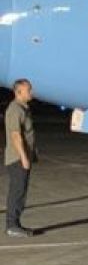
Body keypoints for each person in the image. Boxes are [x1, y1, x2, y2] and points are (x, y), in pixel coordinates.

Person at [5, 79, 37, 237]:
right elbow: (15, 136)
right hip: (17, 158)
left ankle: (14, 224)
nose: (31, 92)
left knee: (20, 191)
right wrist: (24, 158)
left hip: (22, 158)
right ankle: (12, 225)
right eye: (28, 90)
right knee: (17, 192)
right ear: (18, 92)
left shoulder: (23, 108)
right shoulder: (15, 109)